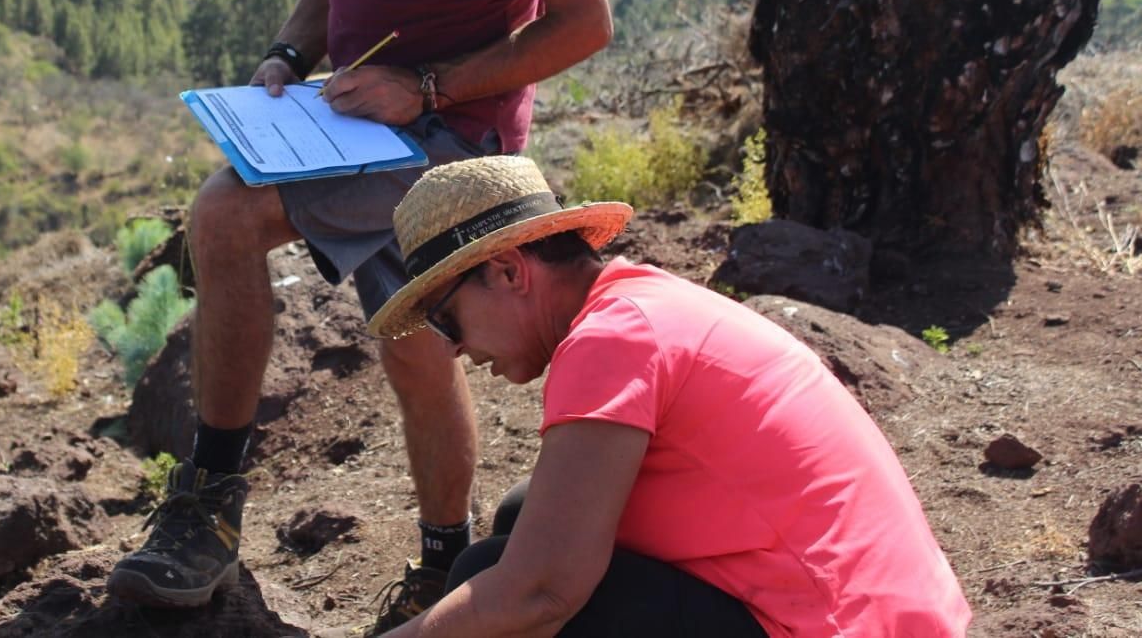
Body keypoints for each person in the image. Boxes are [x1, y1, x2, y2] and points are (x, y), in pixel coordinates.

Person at [106, 0, 613, 631]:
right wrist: (289, 53)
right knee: (367, 313)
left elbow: (583, 21)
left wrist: (423, 88)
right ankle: (352, 537)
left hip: (452, 140)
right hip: (355, 119)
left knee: (266, 243)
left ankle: (263, 523)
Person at [358, 154, 972, 637]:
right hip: (888, 611)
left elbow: (541, 593)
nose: (453, 348)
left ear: (510, 271)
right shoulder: (641, 303)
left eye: (445, 319)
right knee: (525, 520)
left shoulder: (610, 341)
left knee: (496, 582)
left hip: (834, 625)